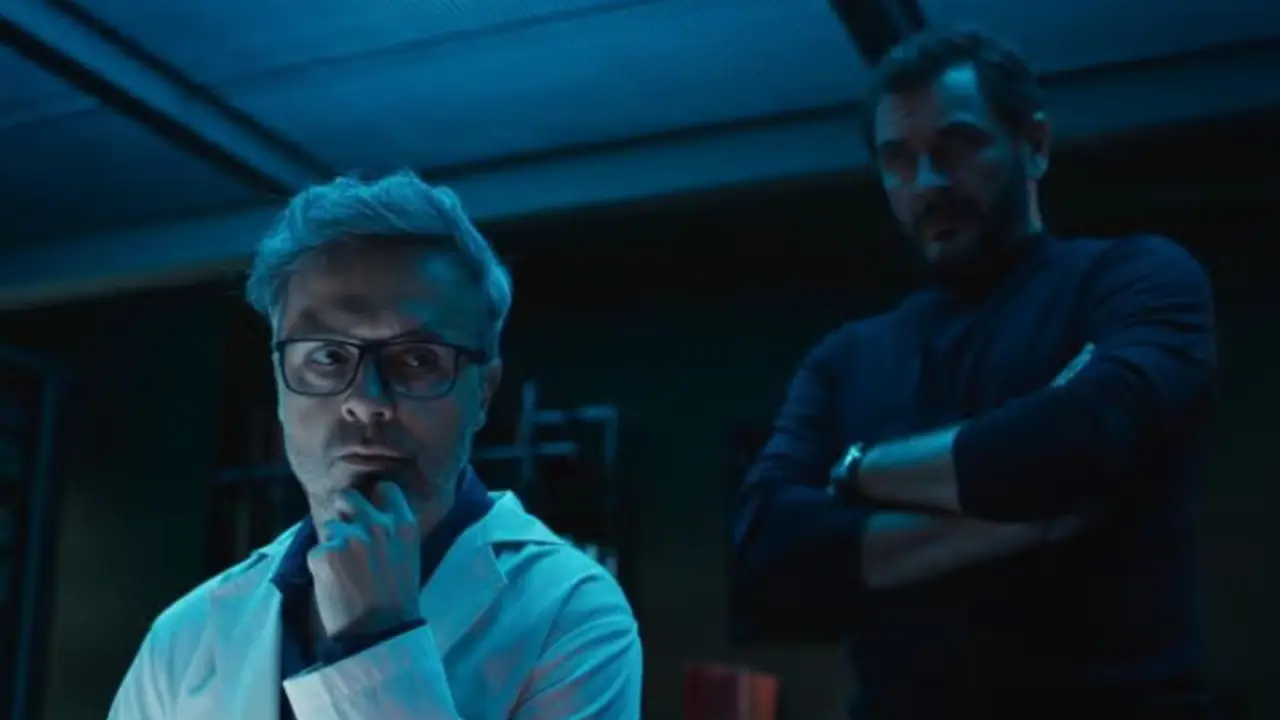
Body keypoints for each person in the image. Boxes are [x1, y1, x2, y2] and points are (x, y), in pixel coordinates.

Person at [731, 28, 1218, 720]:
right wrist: (1013, 518)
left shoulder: (1133, 280)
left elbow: (1082, 437)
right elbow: (768, 551)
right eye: (899, 159)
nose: (928, 183)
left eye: (956, 145)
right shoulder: (845, 358)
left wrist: (860, 472)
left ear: (1034, 143)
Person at [108, 171, 643, 719]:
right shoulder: (183, 636)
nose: (366, 401)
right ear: (279, 380)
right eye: (326, 356)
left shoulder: (572, 614)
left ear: (483, 392)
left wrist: (376, 641)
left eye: (417, 359)